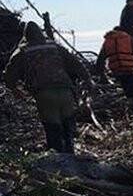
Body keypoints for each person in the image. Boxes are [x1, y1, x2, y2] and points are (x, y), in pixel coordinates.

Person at [3, 22, 92, 153]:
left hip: (44, 95)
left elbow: (9, 75)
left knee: (53, 129)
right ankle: (71, 155)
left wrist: (15, 90)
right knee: (67, 127)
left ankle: (59, 163)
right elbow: (76, 64)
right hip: (66, 91)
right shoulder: (55, 47)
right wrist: (88, 80)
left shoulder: (22, 51)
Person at [95, 25, 133, 123]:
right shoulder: (127, 38)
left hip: (117, 73)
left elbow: (100, 61)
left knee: (126, 94)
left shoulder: (107, 41)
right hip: (131, 72)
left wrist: (102, 76)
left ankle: (126, 116)